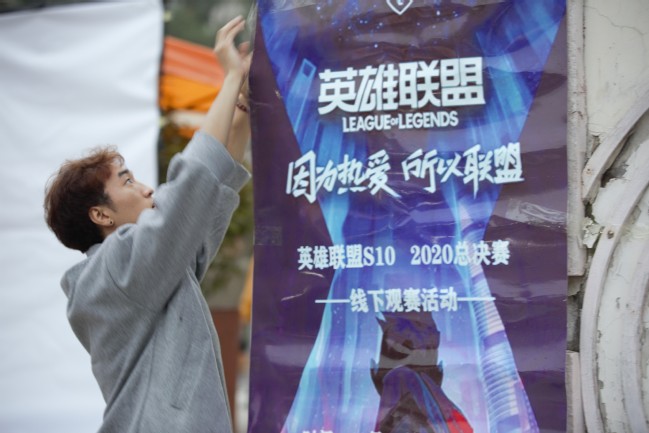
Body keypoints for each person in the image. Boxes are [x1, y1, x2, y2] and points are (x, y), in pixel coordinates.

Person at [43, 16, 251, 433]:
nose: (146, 189)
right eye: (127, 182)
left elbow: (211, 194)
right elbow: (190, 188)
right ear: (101, 215)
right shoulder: (114, 272)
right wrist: (229, 79)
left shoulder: (150, 269)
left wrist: (243, 105)